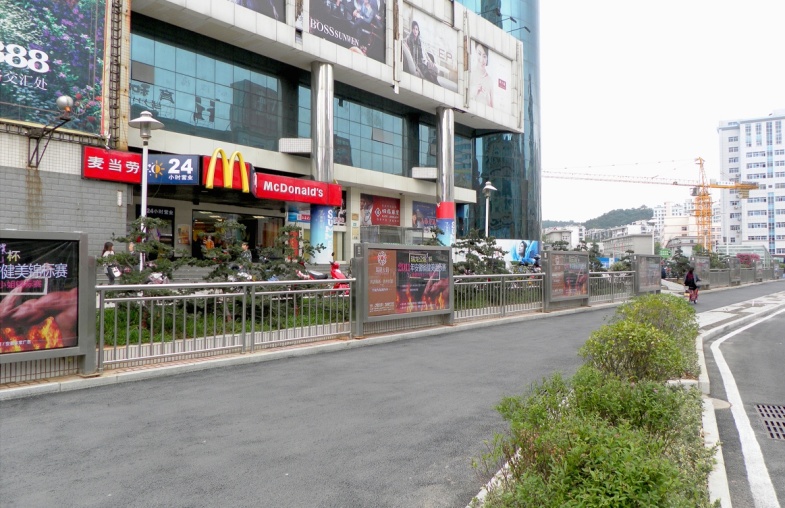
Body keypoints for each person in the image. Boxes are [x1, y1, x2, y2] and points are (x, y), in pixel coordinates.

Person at [471, 42, 494, 107]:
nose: (481, 59)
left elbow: (492, 108)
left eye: (484, 56)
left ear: (487, 58)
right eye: (479, 54)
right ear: (475, 52)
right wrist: (474, 91)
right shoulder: (470, 74)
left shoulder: (490, 81)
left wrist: (487, 98)